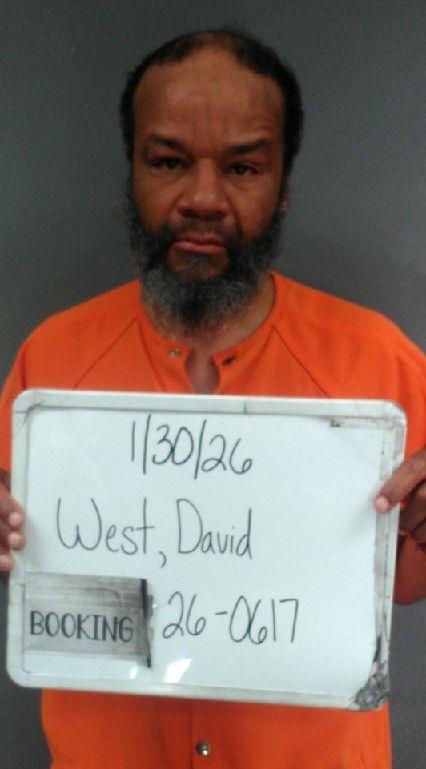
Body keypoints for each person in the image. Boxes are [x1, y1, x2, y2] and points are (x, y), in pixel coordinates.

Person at [0, 29, 425, 769]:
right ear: (132, 172)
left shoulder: (379, 360)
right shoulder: (53, 358)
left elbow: (409, 581)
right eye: (168, 161)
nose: (202, 199)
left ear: (283, 187)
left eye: (243, 167)